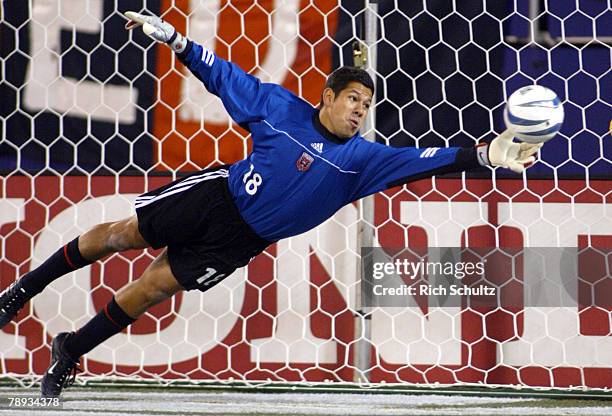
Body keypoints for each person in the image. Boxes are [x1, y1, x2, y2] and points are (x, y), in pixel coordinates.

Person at [0, 11, 541, 397]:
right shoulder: (281, 109)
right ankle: (22, 290)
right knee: (120, 235)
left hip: (241, 240)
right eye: (353, 98)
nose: (359, 110)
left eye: (367, 104)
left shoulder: (362, 161)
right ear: (327, 97)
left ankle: (71, 349)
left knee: (152, 288)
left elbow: (433, 158)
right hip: (216, 196)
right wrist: (175, 39)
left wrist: (490, 152)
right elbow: (223, 77)